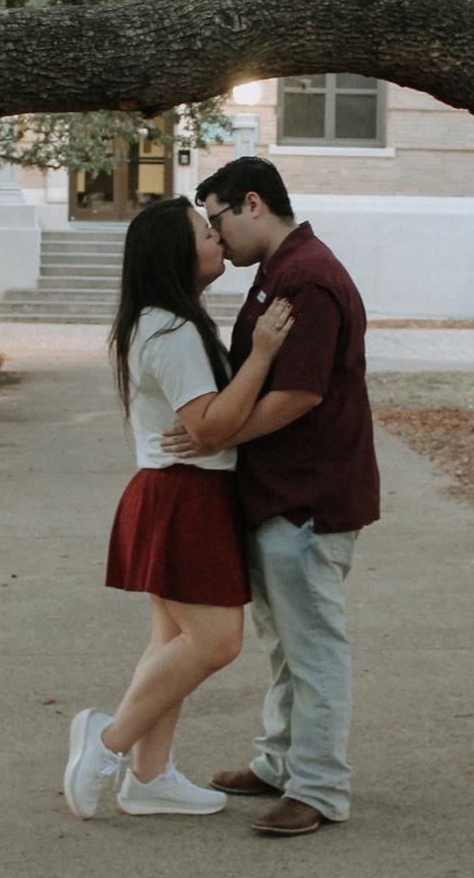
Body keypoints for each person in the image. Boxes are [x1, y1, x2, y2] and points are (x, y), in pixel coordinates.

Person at [63, 195, 295, 821]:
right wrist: (265, 356)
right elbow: (211, 427)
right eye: (202, 231)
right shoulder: (170, 329)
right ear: (174, 252)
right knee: (216, 642)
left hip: (176, 490)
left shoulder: (162, 322)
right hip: (183, 491)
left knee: (172, 638)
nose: (216, 235)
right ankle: (107, 745)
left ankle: (149, 776)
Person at [169, 157, 380, 837]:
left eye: (217, 218)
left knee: (313, 646)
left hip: (309, 498)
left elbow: (299, 394)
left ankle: (319, 787)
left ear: (252, 203)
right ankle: (281, 762)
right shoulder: (280, 272)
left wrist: (218, 437)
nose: (215, 234)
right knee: (286, 645)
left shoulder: (308, 278)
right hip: (278, 494)